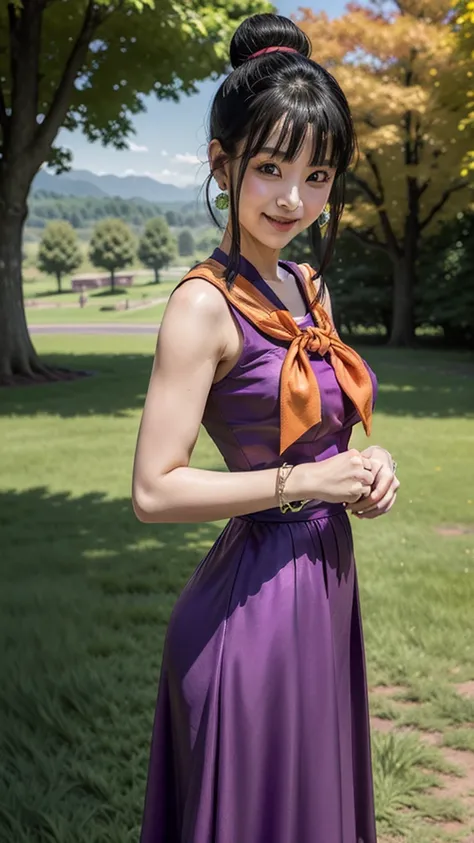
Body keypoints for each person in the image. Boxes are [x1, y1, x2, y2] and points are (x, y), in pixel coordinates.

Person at [132, 12, 400, 843]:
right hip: (250, 616)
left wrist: (367, 468)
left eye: (317, 175)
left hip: (324, 586)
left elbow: (326, 444)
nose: (294, 198)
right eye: (271, 168)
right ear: (223, 164)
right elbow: (153, 489)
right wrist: (305, 482)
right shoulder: (201, 305)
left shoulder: (311, 288)